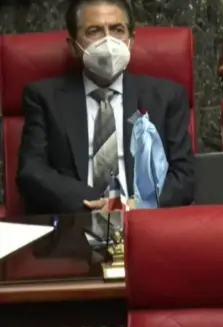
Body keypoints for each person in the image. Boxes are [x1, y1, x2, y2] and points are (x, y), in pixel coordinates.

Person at [16, 0, 195, 215]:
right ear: (73, 45)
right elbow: (32, 172)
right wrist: (101, 204)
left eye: (117, 30)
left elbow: (183, 177)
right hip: (76, 219)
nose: (108, 41)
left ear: (130, 41)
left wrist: (135, 205)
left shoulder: (166, 97)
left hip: (144, 219)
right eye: (94, 31)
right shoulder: (44, 97)